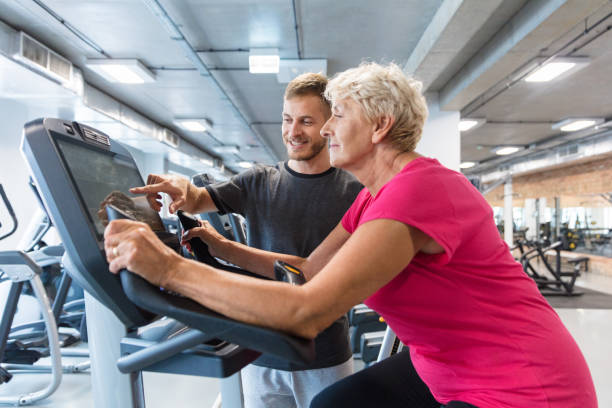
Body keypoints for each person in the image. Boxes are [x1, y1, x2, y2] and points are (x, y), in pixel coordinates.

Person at [105, 62, 597, 408]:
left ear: (380, 126)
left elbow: (308, 310)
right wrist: (222, 247)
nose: (325, 130)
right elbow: (308, 272)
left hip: (519, 386)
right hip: (441, 368)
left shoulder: (419, 189)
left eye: (337, 115)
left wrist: (169, 268)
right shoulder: (374, 195)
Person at [127, 72, 363, 408]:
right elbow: (196, 198)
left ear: (328, 125)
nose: (293, 131)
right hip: (259, 351)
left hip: (325, 356)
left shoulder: (354, 192)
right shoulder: (259, 180)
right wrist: (180, 187)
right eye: (287, 119)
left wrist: (223, 248)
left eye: (306, 121)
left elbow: (310, 272)